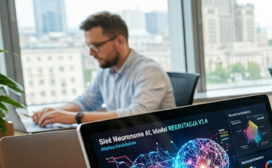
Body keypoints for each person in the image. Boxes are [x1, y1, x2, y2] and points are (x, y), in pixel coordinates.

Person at [32, 12, 175, 126]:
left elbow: (137, 115)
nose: (91, 53)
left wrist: (75, 117)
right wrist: (54, 112)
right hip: (123, 140)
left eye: (96, 46)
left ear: (120, 41)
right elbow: (85, 103)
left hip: (157, 146)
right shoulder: (105, 71)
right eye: (89, 46)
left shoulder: (149, 71)